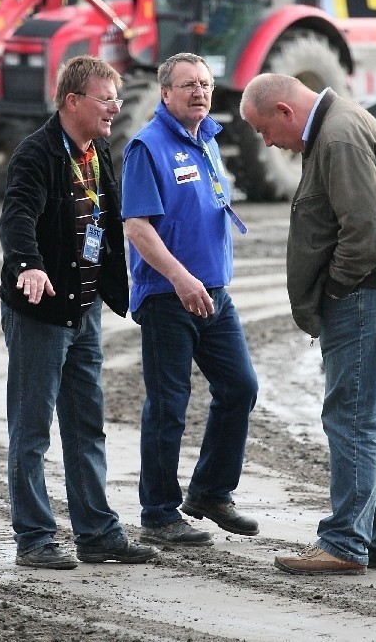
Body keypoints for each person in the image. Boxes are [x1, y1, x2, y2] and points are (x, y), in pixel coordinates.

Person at [239, 73, 376, 575]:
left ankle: (344, 543)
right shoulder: (341, 124)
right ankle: (373, 540)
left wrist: (336, 289)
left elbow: (365, 230)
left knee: (351, 418)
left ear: (283, 110)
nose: (268, 142)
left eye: (263, 130)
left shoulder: (338, 136)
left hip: (368, 294)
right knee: (366, 417)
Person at [0, 55, 159, 569]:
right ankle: (34, 539)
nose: (115, 107)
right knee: (31, 431)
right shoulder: (37, 153)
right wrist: (27, 263)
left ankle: (96, 533)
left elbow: (108, 225)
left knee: (86, 426)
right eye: (105, 99)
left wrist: (123, 289)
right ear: (73, 102)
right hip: (41, 312)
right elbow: (18, 213)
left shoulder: (97, 150)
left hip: (84, 312)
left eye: (115, 98)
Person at [122, 52, 259, 547]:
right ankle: (158, 514)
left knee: (240, 387)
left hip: (215, 294)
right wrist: (181, 279)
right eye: (187, 85)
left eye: (204, 83)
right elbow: (137, 227)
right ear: (165, 93)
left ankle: (210, 493)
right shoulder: (147, 146)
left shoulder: (207, 140)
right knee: (168, 406)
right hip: (168, 295)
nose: (199, 92)